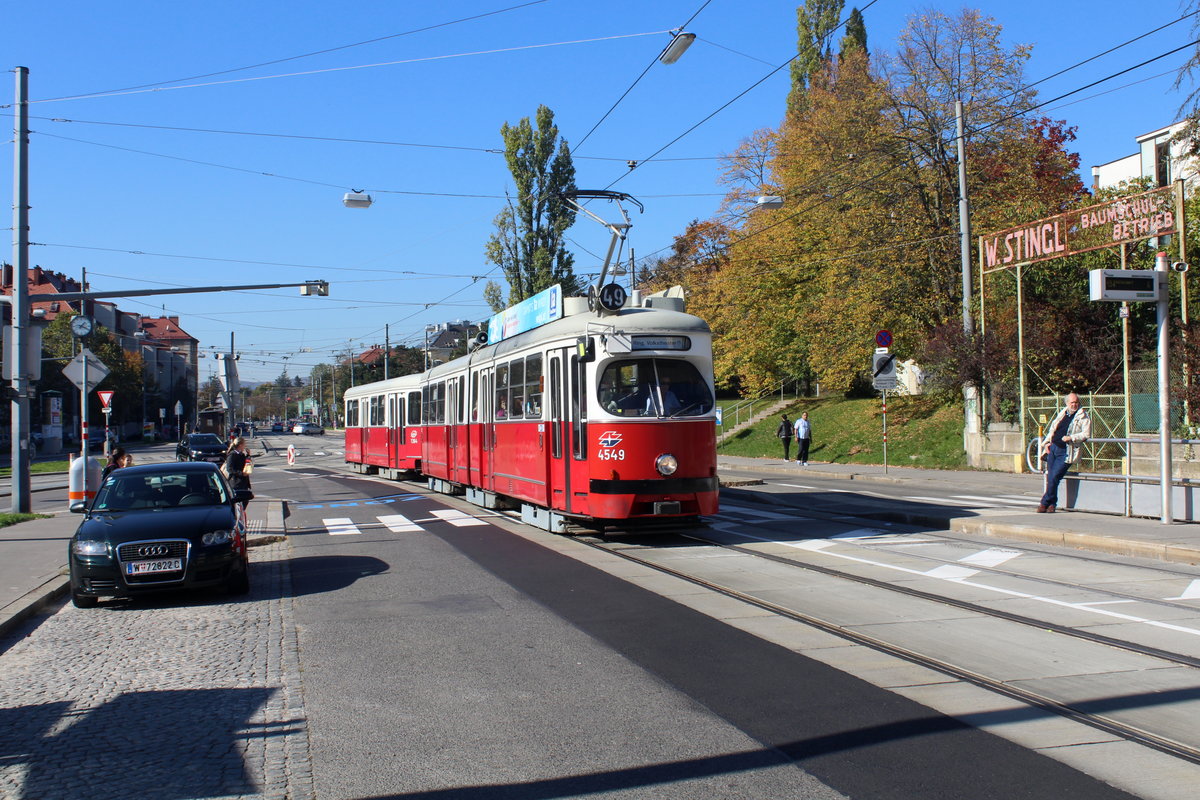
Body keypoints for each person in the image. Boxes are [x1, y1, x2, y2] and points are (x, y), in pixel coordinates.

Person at [1038, 392, 1091, 513]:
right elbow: (1053, 430)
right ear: (1067, 403)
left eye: (1076, 402)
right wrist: (1047, 443)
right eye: (1072, 402)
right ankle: (1052, 504)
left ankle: (1044, 502)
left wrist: (1071, 437)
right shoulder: (1062, 414)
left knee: (1055, 476)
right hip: (1053, 448)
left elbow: (1086, 434)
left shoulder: (1083, 416)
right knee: (1051, 477)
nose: (1074, 405)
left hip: (1067, 451)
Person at [223, 437, 253, 507]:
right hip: (236, 483)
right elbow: (230, 469)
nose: (245, 446)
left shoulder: (241, 454)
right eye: (244, 444)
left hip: (243, 482)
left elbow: (246, 464)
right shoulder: (232, 455)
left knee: (245, 502)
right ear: (240, 445)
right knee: (238, 504)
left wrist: (248, 455)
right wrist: (241, 473)